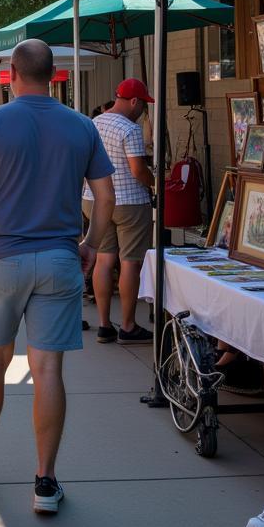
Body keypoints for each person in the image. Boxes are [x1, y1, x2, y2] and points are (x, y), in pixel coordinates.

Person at [0, 40, 115, 512]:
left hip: (1, 259)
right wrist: (92, 245)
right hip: (60, 257)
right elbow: (105, 197)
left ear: (13, 74)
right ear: (54, 73)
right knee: (47, 370)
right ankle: (45, 483)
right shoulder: (82, 125)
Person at [83, 79, 155, 345]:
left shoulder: (92, 124)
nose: (143, 111)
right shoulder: (130, 128)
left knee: (103, 260)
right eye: (143, 104)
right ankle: (127, 325)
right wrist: (155, 183)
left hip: (94, 199)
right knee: (130, 263)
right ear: (134, 101)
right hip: (129, 202)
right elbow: (137, 170)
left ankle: (104, 325)